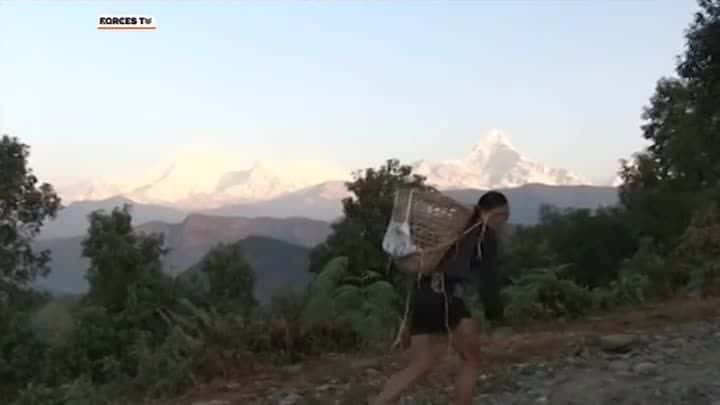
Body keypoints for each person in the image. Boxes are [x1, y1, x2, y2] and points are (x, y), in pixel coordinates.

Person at [372, 191, 510, 405]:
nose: (504, 223)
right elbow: (488, 282)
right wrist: (497, 316)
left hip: (423, 293)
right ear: (497, 213)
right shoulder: (485, 235)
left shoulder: (453, 225)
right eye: (504, 217)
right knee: (471, 360)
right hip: (446, 299)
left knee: (420, 363)